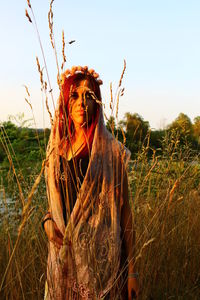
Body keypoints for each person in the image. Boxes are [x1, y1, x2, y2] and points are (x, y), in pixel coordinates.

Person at [43, 66, 139, 299]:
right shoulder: (57, 151)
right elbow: (55, 205)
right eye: (74, 95)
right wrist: (46, 222)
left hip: (101, 267)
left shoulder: (110, 152)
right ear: (66, 101)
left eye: (89, 96)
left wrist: (134, 272)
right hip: (63, 263)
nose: (81, 103)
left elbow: (124, 210)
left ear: (97, 104)